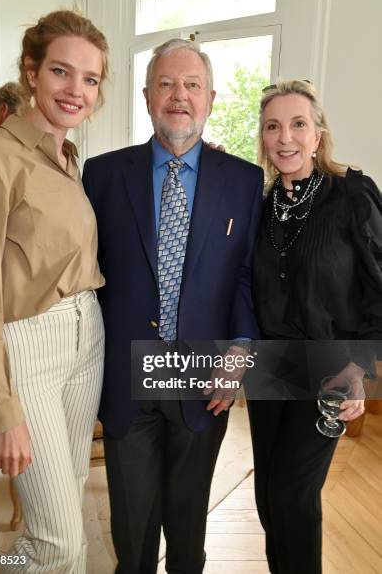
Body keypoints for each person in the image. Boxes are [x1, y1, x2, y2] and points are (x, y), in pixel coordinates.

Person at [82, 38, 263, 574]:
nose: (178, 96)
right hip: (126, 376)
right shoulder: (103, 175)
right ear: (146, 96)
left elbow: (247, 277)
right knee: (132, 532)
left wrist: (241, 351)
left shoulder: (245, 181)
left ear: (209, 98)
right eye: (166, 84)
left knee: (188, 532)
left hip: (201, 377)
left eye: (191, 86)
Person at [0, 10, 109, 572]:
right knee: (59, 544)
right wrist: (0, 412)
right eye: (62, 72)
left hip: (85, 335)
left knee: (62, 503)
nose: (76, 90)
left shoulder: (68, 159)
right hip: (30, 349)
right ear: (31, 72)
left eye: (90, 79)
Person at [248, 79, 382, 574]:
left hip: (329, 367)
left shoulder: (352, 193)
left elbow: (379, 286)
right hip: (269, 370)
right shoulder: (260, 205)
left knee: (292, 494)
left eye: (298, 124)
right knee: (268, 500)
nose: (286, 137)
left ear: (319, 134)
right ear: (263, 139)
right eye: (273, 127)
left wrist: (358, 369)